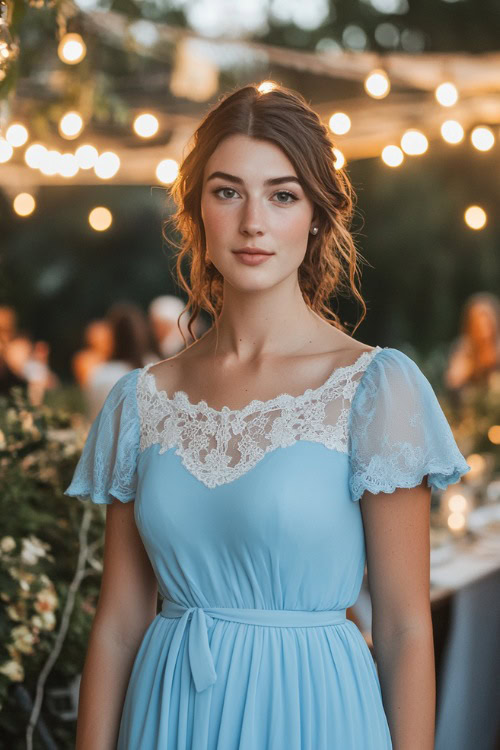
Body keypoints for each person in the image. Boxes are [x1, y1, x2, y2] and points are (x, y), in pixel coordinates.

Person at [65, 83, 471, 750]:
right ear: (198, 209)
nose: (254, 221)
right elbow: (117, 623)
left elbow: (403, 628)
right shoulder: (140, 402)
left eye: (282, 195)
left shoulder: (375, 388)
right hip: (168, 717)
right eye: (228, 191)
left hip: (317, 717)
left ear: (314, 215)